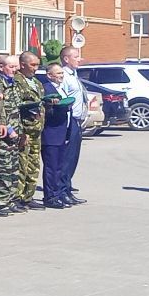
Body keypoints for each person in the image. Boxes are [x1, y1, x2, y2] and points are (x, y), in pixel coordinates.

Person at [11, 52, 47, 211]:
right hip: (24, 130)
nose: (35, 68)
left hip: (36, 130)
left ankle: (28, 196)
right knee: (22, 164)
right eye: (32, 65)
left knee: (33, 164)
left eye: (37, 65)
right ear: (23, 65)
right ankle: (17, 198)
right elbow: (16, 106)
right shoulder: (17, 81)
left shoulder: (37, 83)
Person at [0, 55, 24, 214]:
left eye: (16, 67)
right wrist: (9, 129)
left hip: (16, 131)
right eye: (11, 67)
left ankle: (10, 198)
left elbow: (18, 109)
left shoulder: (14, 84)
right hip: (4, 132)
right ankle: (0, 200)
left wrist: (21, 132)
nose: (15, 70)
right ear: (1, 67)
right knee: (3, 167)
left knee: (13, 167)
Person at [40, 65, 74, 209]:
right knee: (51, 167)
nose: (61, 75)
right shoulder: (47, 88)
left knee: (59, 166)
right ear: (49, 75)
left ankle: (59, 193)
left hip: (61, 132)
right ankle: (51, 196)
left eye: (62, 73)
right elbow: (46, 111)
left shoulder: (61, 87)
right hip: (51, 133)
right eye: (58, 73)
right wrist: (55, 106)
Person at [58, 47, 88, 205]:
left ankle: (68, 187)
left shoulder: (74, 75)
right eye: (76, 56)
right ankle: (63, 190)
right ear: (66, 59)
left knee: (73, 158)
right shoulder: (64, 76)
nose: (79, 59)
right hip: (70, 122)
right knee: (67, 158)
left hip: (78, 122)